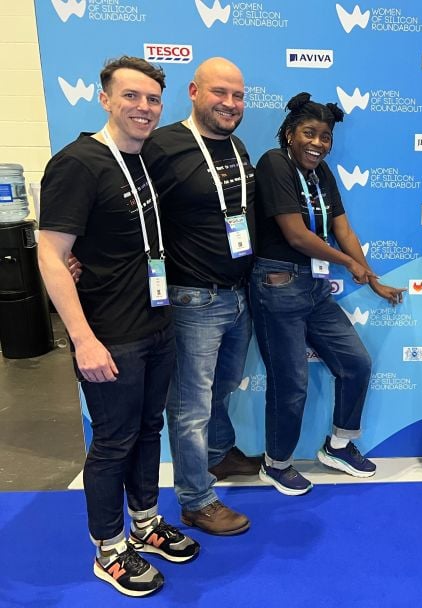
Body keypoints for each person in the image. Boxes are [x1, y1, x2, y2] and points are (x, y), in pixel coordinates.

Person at [38, 56, 199, 597]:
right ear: (105, 99)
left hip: (158, 324)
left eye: (153, 99)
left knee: (149, 430)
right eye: (131, 96)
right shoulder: (78, 163)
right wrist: (82, 339)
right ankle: (109, 550)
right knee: (113, 442)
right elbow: (51, 254)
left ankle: (146, 524)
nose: (144, 107)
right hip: (110, 335)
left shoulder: (148, 158)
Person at [250, 92, 405, 495]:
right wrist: (348, 264)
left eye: (325, 136)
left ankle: (338, 445)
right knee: (291, 382)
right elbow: (296, 235)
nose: (318, 143)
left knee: (356, 362)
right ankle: (276, 463)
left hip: (315, 287)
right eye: (309, 133)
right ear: (289, 134)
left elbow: (343, 229)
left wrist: (372, 278)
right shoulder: (273, 164)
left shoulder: (322, 174)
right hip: (277, 284)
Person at [140, 57, 258, 535]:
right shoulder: (162, 147)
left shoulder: (237, 144)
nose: (230, 104)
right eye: (220, 93)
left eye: (238, 95)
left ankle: (217, 453)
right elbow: (131, 210)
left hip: (237, 297)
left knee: (224, 386)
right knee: (189, 407)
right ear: (193, 91)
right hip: (192, 300)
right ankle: (195, 499)